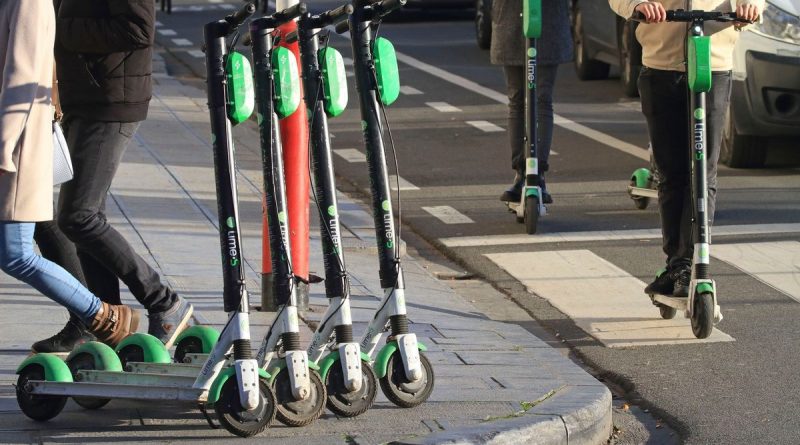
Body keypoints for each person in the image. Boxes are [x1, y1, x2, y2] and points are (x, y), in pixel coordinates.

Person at [30, 0, 193, 353]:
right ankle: (102, 321)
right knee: (81, 217)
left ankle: (164, 302)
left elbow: (137, 29)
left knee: (78, 216)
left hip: (109, 100)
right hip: (84, 96)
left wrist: (57, 31)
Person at [0, 0, 138, 347]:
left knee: (16, 253)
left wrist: (3, 146)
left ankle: (100, 314)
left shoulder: (27, 3)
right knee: (24, 244)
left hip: (18, 143)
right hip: (15, 140)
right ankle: (96, 315)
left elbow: (23, 78)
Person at [609, 0, 762, 297]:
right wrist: (637, 4)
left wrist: (750, 5)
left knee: (703, 174)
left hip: (713, 65)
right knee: (672, 174)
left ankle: (689, 263)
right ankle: (676, 264)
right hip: (660, 66)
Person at [492, 0, 574, 204]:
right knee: (519, 99)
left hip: (545, 20)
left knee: (540, 99)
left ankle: (537, 173)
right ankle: (522, 172)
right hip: (511, 21)